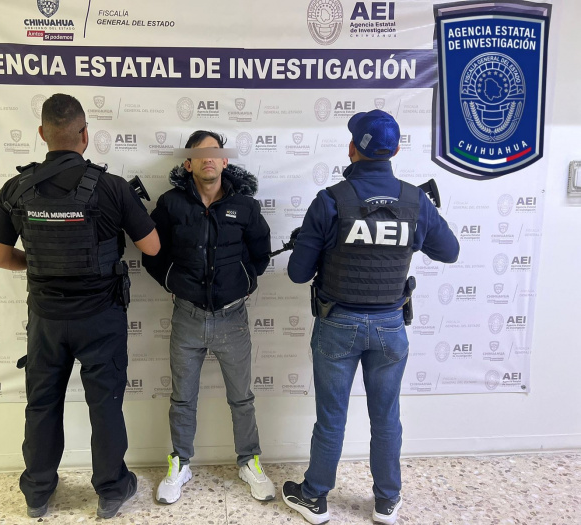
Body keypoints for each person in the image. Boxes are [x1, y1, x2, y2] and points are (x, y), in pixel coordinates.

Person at [0, 93, 160, 519]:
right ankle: (112, 490)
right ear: (85, 134)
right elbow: (152, 247)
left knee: (42, 404)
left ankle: (37, 492)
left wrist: (40, 263)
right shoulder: (112, 187)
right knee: (105, 404)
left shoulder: (16, 189)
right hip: (101, 317)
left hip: (45, 320)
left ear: (42, 133)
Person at [281, 110, 460, 525]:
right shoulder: (415, 201)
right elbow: (449, 251)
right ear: (395, 151)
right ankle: (387, 501)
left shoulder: (330, 200)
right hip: (390, 326)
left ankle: (315, 498)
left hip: (337, 324)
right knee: (386, 417)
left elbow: (297, 274)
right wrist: (418, 224)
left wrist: (313, 244)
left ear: (352, 148)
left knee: (332, 418)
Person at [142, 130, 275, 504]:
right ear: (188, 163)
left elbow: (260, 253)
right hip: (187, 317)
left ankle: (249, 461)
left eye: (215, 152)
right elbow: (152, 253)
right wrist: (171, 281)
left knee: (242, 398)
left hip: (233, 318)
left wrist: (244, 282)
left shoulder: (245, 206)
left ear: (225, 160)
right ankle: (180, 463)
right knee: (182, 399)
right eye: (200, 153)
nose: (208, 158)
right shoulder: (170, 204)